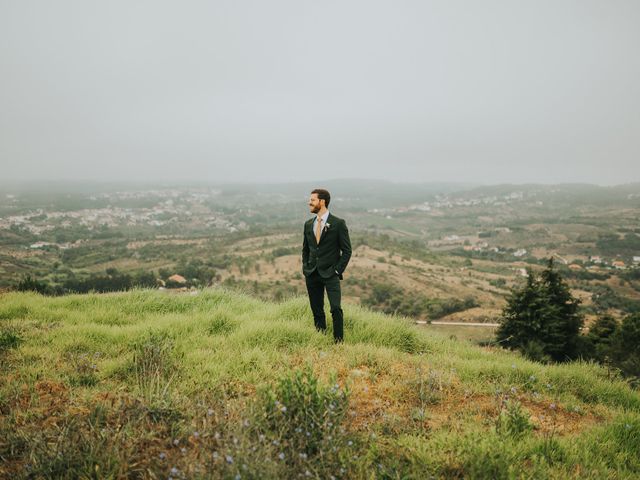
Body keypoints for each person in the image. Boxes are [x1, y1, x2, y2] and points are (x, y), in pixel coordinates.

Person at [302, 188, 352, 342]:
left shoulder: (338, 223)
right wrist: (305, 267)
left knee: (335, 308)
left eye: (312, 200)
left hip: (331, 274)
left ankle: (338, 342)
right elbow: (305, 249)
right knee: (317, 310)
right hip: (312, 273)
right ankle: (320, 338)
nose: (309, 203)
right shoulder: (308, 224)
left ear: (322, 202)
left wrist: (337, 270)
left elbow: (347, 250)